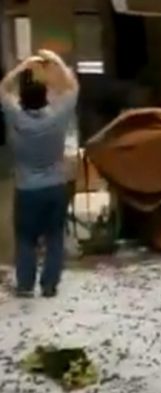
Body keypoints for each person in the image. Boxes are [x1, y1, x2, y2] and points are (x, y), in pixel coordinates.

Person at [0, 50, 79, 297]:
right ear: (46, 96)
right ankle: (49, 284)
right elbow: (73, 86)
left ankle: (25, 284)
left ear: (21, 97)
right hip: (55, 186)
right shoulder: (57, 117)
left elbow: (2, 88)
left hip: (26, 189)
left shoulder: (16, 118)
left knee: (26, 238)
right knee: (55, 237)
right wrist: (55, 60)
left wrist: (23, 66)